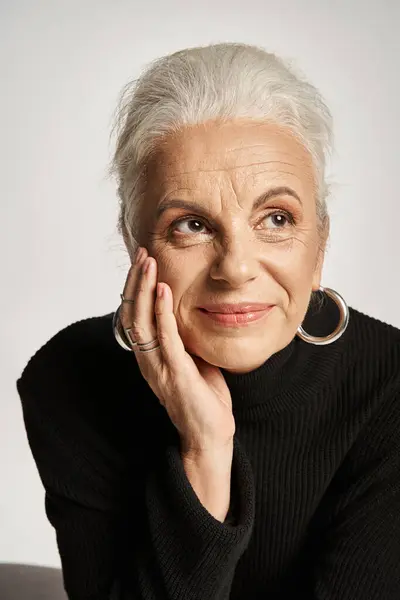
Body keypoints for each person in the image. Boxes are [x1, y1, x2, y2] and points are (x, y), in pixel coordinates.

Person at [17, 42, 400, 600]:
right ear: (134, 244)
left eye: (276, 218)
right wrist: (204, 450)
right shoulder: (69, 378)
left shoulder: (389, 385)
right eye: (191, 225)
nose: (236, 268)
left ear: (319, 246)